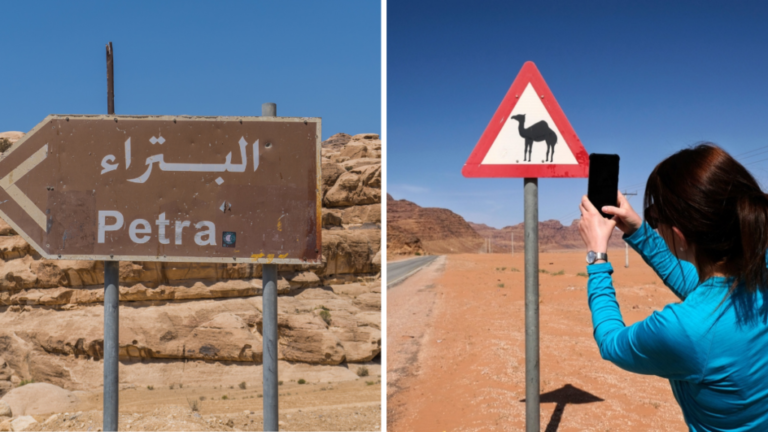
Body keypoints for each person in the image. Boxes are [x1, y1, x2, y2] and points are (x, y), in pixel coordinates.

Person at [578, 143, 768, 431]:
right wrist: (638, 230)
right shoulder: (758, 269)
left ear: (679, 236)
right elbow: (702, 288)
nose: (655, 224)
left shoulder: (685, 329)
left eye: (656, 218)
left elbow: (611, 342)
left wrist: (597, 257)